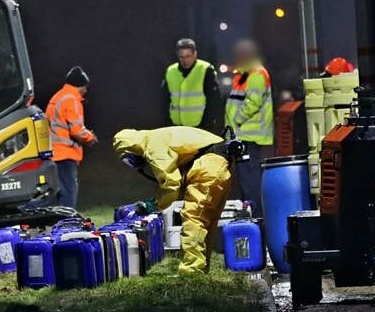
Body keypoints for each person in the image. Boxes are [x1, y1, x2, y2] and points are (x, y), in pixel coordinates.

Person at [114, 126, 233, 274]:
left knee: (193, 219)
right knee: (207, 220)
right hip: (219, 164)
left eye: (128, 160)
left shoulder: (152, 146)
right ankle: (202, 268)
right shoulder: (157, 136)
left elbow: (171, 185)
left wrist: (155, 205)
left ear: (130, 148)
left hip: (207, 167)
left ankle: (191, 271)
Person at [225, 39, 273, 216]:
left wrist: (236, 120)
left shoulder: (256, 73)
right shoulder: (244, 74)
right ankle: (252, 214)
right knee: (246, 179)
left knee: (250, 179)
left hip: (250, 135)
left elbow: (253, 102)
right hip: (242, 135)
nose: (237, 57)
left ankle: (257, 217)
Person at [46, 66, 97, 208]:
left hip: (54, 152)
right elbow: (77, 130)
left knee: (57, 193)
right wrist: (90, 137)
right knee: (68, 193)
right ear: (81, 85)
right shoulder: (72, 100)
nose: (86, 91)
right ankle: (68, 222)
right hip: (65, 153)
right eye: (85, 87)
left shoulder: (58, 96)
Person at [163, 38, 222, 135]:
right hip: (176, 128)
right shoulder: (170, 71)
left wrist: (206, 126)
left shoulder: (205, 69)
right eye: (181, 57)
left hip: (199, 128)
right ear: (177, 56)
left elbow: (214, 101)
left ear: (195, 54)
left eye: (188, 56)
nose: (185, 60)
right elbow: (164, 100)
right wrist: (167, 123)